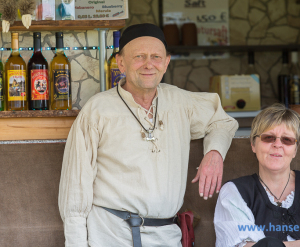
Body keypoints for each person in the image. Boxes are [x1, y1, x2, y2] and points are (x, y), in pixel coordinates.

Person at [58, 23, 238, 247]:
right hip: (110, 236)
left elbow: (222, 121)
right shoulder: (97, 110)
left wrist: (214, 152)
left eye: (156, 57)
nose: (148, 64)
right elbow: (75, 190)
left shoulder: (180, 102)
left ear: (166, 63)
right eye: (139, 57)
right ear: (120, 63)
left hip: (167, 236)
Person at [214, 104, 300, 247]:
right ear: (253, 144)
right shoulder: (234, 192)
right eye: (268, 138)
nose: (277, 145)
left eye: (287, 140)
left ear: (295, 150)